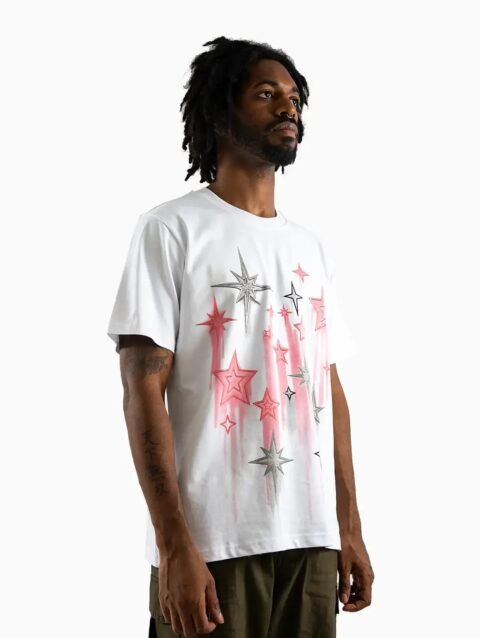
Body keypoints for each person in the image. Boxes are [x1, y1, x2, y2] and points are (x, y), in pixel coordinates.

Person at [107, 35, 374, 638]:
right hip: (213, 546)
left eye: (294, 99)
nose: (288, 108)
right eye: (266, 94)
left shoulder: (310, 246)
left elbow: (328, 391)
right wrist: (174, 545)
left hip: (311, 544)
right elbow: (141, 391)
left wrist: (348, 527)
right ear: (221, 111)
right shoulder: (171, 230)